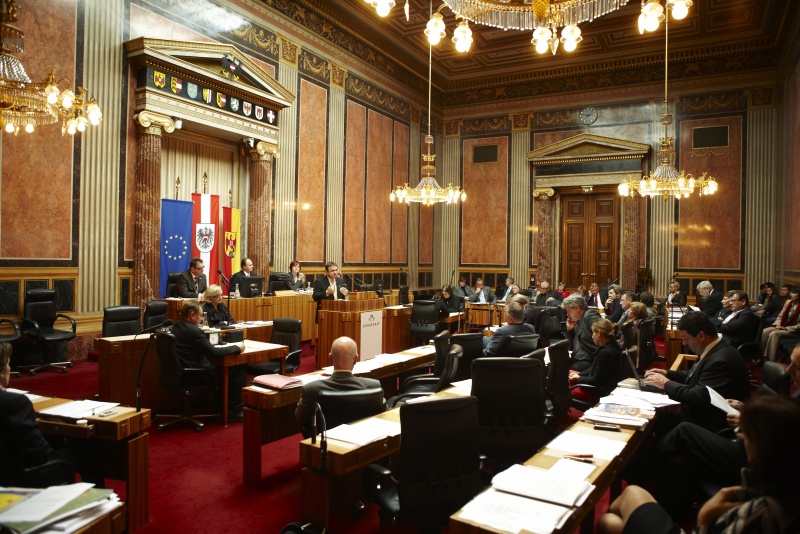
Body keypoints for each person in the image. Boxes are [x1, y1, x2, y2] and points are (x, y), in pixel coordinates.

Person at [597, 396, 800, 534]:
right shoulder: (780, 489)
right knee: (609, 523)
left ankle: (638, 472)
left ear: (763, 446)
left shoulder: (765, 512)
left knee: (631, 492)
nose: (743, 439)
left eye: (745, 435)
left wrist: (704, 517)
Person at [0, 342, 104, 487]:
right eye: (8, 364)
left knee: (54, 437)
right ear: (2, 371)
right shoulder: (16, 403)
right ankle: (97, 497)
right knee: (86, 444)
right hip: (29, 478)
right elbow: (38, 456)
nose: (9, 368)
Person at [643, 311, 750, 432]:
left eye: (686, 338)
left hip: (708, 424)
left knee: (657, 422)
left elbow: (698, 397)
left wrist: (665, 384)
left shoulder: (720, 361)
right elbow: (693, 375)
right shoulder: (713, 349)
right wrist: (668, 373)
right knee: (657, 419)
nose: (684, 343)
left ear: (701, 335)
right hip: (699, 416)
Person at [172, 301, 247, 422]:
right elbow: (214, 353)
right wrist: (237, 347)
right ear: (192, 315)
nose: (202, 319)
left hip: (181, 372)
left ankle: (219, 406)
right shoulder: (194, 331)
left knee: (222, 367)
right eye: (201, 315)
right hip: (197, 374)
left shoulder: (177, 327)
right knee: (238, 367)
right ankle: (234, 410)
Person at [294, 337, 382, 432]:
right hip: (362, 436)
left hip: (325, 439)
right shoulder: (374, 386)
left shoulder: (311, 389)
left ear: (330, 358)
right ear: (356, 359)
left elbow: (300, 418)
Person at [569, 318, 624, 404]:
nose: (592, 336)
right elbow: (595, 368)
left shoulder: (605, 353)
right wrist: (579, 374)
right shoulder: (616, 346)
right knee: (571, 373)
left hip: (596, 392)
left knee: (561, 388)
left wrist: (578, 379)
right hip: (607, 387)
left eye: (593, 333)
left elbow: (596, 381)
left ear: (599, 333)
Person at [759, 286, 800, 362]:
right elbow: (780, 316)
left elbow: (799, 326)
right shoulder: (788, 302)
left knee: (774, 334)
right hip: (783, 325)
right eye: (791, 292)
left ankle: (771, 360)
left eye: (794, 293)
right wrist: (778, 325)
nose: (791, 294)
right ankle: (762, 356)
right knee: (765, 331)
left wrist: (784, 328)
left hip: (794, 330)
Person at [562, 294, 601, 371]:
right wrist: (570, 330)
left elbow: (601, 328)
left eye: (568, 311)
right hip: (577, 360)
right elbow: (570, 347)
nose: (567, 314)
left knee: (562, 372)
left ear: (577, 308)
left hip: (589, 361)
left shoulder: (589, 315)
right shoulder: (577, 322)